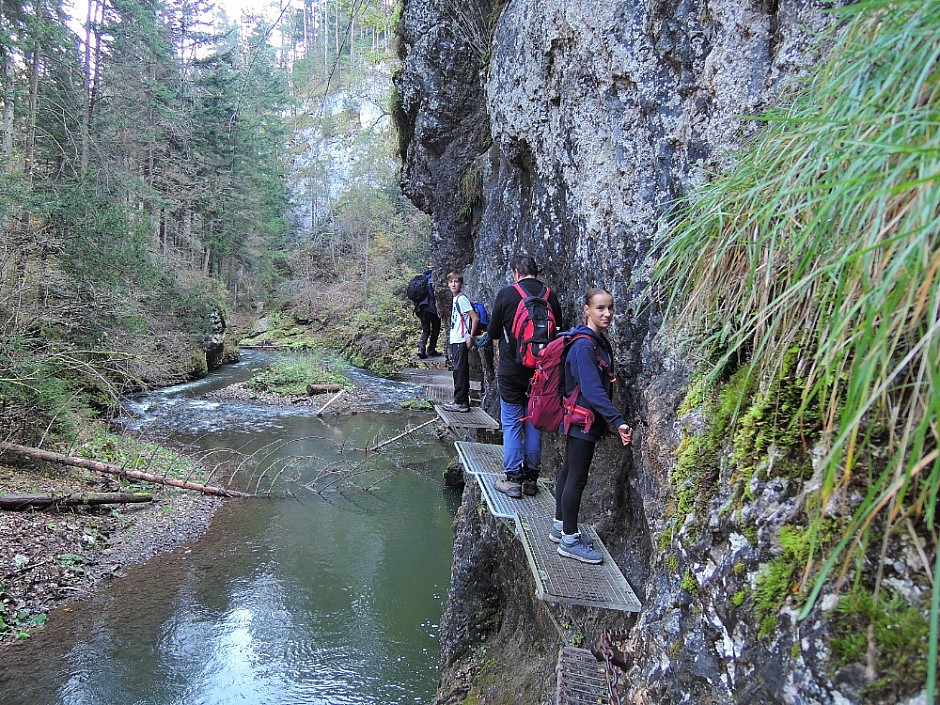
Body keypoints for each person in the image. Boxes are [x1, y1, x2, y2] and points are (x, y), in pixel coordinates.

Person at [551, 288, 632, 564]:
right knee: (577, 477)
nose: (607, 313)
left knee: (569, 471)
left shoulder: (593, 340)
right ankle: (570, 540)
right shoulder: (585, 345)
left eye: (610, 307)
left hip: (579, 417)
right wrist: (617, 421)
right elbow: (593, 389)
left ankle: (560, 525)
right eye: (600, 308)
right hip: (583, 419)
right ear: (586, 309)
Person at [487, 254, 563, 498]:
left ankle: (512, 479)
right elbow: (558, 333)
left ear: (516, 272)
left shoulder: (507, 294)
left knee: (511, 422)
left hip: (511, 370)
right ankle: (531, 479)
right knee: (534, 421)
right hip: (541, 373)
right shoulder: (550, 296)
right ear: (536, 272)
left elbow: (494, 332)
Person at [443, 271, 479, 413]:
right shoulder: (456, 299)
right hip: (455, 339)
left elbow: (474, 318)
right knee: (458, 371)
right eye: (451, 282)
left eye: (456, 282)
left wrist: (470, 336)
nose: (453, 284)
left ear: (461, 284)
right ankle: (459, 400)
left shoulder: (462, 299)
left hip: (460, 340)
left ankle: (461, 402)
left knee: (460, 371)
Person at [414, 268, 441, 359]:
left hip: (420, 309)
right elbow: (433, 296)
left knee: (426, 330)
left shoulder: (420, 282)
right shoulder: (431, 280)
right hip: (431, 308)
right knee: (436, 328)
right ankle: (431, 350)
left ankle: (421, 349)